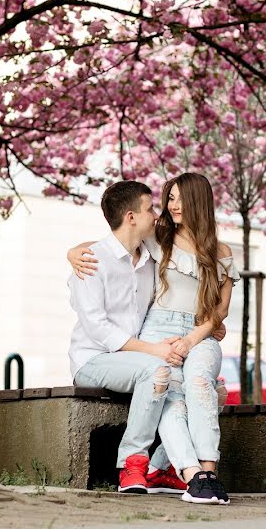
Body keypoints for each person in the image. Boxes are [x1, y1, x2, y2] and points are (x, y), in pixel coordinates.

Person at [68, 172, 238, 505]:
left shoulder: (222, 251)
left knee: (204, 386)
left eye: (178, 199)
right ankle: (192, 476)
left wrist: (194, 337)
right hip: (156, 330)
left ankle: (205, 472)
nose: (169, 207)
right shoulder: (158, 238)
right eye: (167, 199)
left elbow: (220, 311)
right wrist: (72, 251)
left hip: (198, 332)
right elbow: (115, 239)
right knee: (170, 390)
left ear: (198, 201)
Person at [67, 180, 188, 495]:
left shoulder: (150, 256)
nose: (157, 216)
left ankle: (162, 467)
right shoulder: (92, 260)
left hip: (137, 358)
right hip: (94, 359)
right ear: (131, 216)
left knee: (204, 383)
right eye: (150, 209)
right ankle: (132, 466)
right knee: (158, 370)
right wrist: (154, 351)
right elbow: (98, 328)